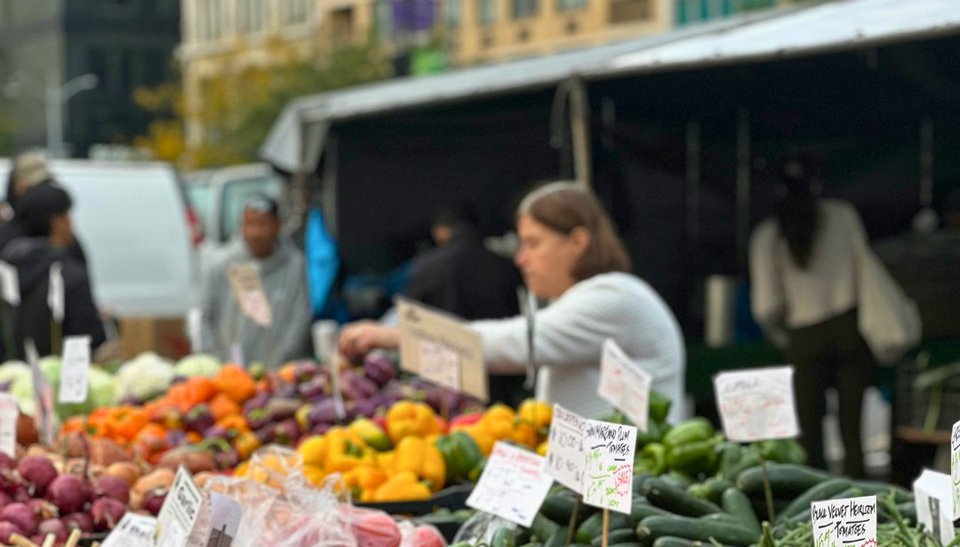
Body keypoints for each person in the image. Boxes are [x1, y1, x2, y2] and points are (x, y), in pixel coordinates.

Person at [340, 182, 685, 421]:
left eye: (533, 244)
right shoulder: (578, 300)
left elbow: (514, 345)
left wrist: (395, 336)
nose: (521, 259)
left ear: (577, 242)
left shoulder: (613, 298)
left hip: (634, 483)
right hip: (600, 479)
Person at [749, 157, 874, 476]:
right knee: (853, 433)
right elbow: (867, 271)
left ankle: (814, 505)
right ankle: (863, 505)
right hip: (849, 329)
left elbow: (766, 305)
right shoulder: (844, 216)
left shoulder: (767, 235)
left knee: (808, 437)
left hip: (803, 337)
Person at [200, 194, 311, 368]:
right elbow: (205, 317)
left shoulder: (295, 266)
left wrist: (274, 366)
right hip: (229, 376)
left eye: (263, 224)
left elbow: (300, 319)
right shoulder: (220, 266)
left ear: (277, 225)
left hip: (281, 375)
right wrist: (220, 364)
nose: (256, 233)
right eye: (250, 224)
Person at [0, 182, 105, 359]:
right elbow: (90, 338)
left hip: (8, 380)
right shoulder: (70, 275)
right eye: (68, 216)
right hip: (59, 379)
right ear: (56, 222)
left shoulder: (6, 267)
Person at [405, 203, 522, 322]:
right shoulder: (505, 264)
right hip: (500, 337)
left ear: (440, 230)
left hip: (443, 338)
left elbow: (411, 316)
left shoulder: (426, 264)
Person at [0, 151, 51, 258]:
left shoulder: (58, 232)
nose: (43, 193)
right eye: (36, 187)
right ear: (17, 186)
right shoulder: (7, 236)